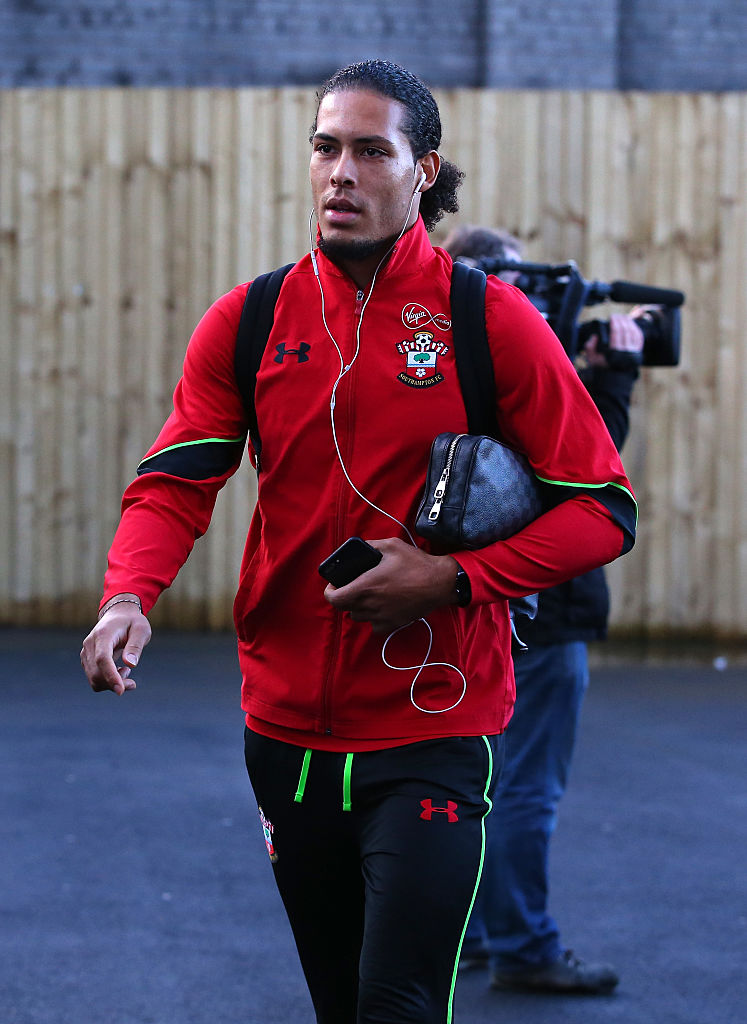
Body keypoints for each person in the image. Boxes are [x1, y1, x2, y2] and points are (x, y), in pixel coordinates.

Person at [80, 60, 637, 1024]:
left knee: (398, 1005)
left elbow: (603, 508)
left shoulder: (488, 319)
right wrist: (127, 595)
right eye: (325, 147)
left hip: (434, 726)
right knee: (340, 1005)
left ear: (424, 170)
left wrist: (453, 578)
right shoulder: (249, 319)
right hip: (284, 729)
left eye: (371, 151)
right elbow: (174, 481)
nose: (341, 171)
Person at [443, 223, 645, 995]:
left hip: (465, 601)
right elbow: (579, 478)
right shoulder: (519, 357)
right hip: (538, 605)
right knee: (524, 786)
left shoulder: (435, 359)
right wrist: (609, 383)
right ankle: (523, 945)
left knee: (466, 782)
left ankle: (467, 934)